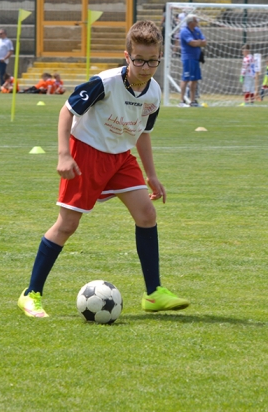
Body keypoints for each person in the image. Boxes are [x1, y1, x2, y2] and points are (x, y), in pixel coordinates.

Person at [16, 20, 189, 318]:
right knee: (67, 225)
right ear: (127, 56)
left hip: (121, 157)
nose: (146, 67)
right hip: (86, 155)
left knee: (147, 215)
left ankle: (154, 294)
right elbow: (66, 110)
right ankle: (31, 293)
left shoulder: (153, 93)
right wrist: (63, 154)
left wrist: (152, 175)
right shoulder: (105, 83)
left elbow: (143, 133)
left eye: (152, 61)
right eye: (139, 61)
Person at [179, 14, 206, 107]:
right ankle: (181, 101)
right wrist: (199, 42)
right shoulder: (184, 31)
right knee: (185, 79)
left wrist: (197, 42)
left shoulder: (197, 30)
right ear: (191, 22)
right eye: (196, 21)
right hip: (188, 58)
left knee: (194, 79)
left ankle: (192, 101)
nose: (197, 22)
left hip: (196, 58)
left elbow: (204, 42)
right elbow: (192, 43)